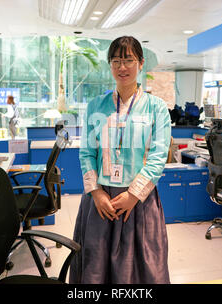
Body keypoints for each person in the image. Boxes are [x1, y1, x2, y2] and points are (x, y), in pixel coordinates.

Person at [69, 36, 172, 284]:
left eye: (128, 60)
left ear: (140, 63)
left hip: (139, 202)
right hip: (100, 201)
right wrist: (95, 192)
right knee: (95, 268)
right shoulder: (96, 105)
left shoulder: (157, 108)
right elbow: (86, 153)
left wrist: (133, 194)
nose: (122, 67)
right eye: (116, 61)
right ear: (110, 64)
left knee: (143, 269)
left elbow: (158, 157)